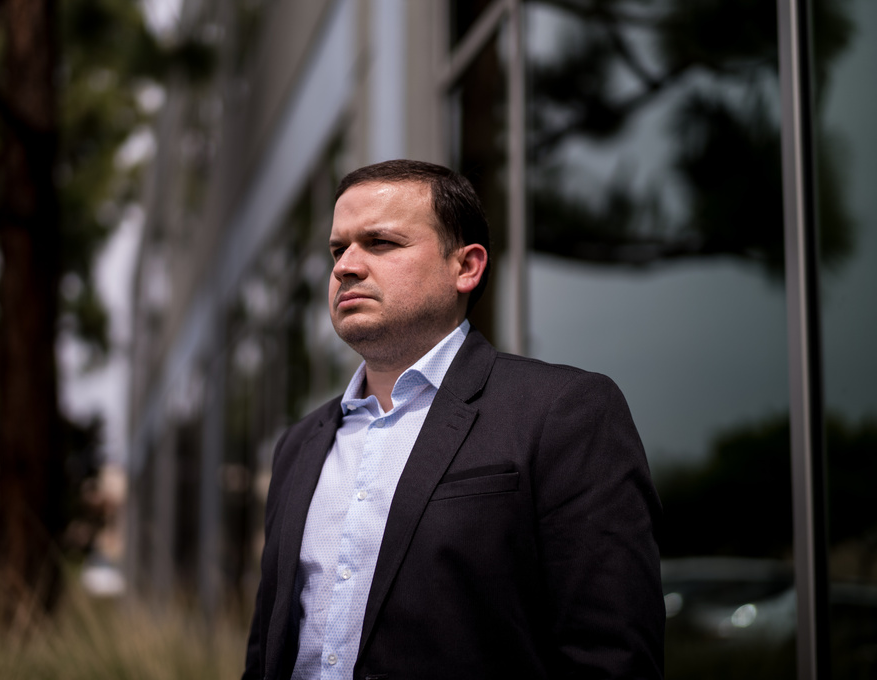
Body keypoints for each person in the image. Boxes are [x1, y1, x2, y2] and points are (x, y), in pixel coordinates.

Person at [242, 159, 664, 680]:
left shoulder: (564, 411)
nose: (345, 266)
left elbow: (611, 656)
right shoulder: (299, 445)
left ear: (466, 267)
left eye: (380, 243)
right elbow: (266, 652)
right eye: (338, 248)